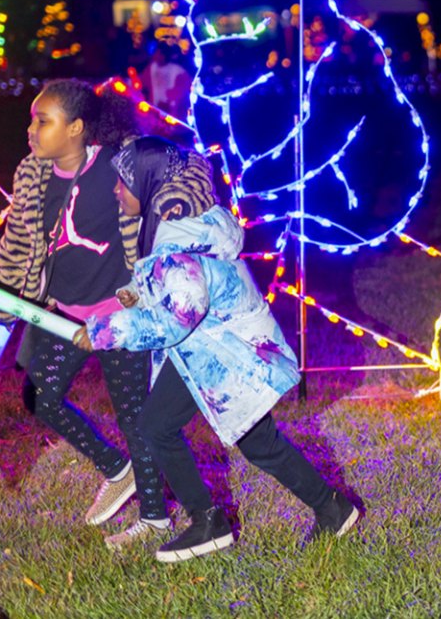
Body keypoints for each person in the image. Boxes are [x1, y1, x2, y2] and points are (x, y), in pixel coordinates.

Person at [73, 137, 360, 563]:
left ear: (148, 184)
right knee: (258, 441)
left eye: (122, 182)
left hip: (222, 354)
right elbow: (174, 287)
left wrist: (106, 331)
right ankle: (333, 509)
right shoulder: (185, 227)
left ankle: (208, 523)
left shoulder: (175, 242)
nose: (116, 190)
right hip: (216, 347)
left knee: (156, 426)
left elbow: (180, 313)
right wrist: (138, 294)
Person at [0, 79, 212, 549]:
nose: (30, 130)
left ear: (76, 128)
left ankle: (154, 518)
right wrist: (3, 297)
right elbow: (19, 243)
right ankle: (117, 468)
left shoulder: (119, 159)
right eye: (32, 119)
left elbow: (190, 168)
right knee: (39, 397)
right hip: (63, 312)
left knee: (134, 415)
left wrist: (171, 205)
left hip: (120, 312)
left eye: (42, 121)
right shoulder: (32, 174)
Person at [140, 43, 192, 119]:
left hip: (173, 114)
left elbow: (184, 91)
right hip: (155, 111)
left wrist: (170, 99)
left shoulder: (178, 71)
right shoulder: (151, 68)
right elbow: (143, 83)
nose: (156, 56)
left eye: (159, 54)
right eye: (155, 53)